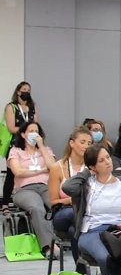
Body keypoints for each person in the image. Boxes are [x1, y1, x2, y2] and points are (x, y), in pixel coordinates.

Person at [62, 144, 121, 275]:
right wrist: (87, 172)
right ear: (92, 167)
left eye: (108, 157)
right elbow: (67, 187)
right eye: (101, 160)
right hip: (91, 231)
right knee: (105, 257)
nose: (108, 162)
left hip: (119, 230)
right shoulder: (87, 185)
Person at [9, 121, 58, 255]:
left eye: (36, 131)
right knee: (37, 208)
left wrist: (41, 146)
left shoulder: (46, 150)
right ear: (23, 134)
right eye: (31, 131)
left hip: (45, 187)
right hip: (25, 189)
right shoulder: (16, 151)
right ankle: (48, 246)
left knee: (56, 205)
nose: (34, 134)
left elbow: (53, 167)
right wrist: (41, 170)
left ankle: (60, 240)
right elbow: (18, 172)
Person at [48, 127, 93, 263]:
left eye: (89, 143)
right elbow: (53, 201)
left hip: (87, 213)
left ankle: (81, 268)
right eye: (82, 142)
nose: (86, 146)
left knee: (74, 229)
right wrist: (72, 200)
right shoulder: (57, 167)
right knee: (74, 214)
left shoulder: (92, 167)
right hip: (64, 212)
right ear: (72, 143)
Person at [3, 82, 38, 206]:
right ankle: (5, 203)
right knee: (11, 174)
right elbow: (11, 128)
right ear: (18, 92)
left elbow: (36, 125)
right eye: (24, 89)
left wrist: (32, 132)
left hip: (30, 145)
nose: (26, 92)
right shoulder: (11, 107)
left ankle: (28, 200)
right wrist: (27, 130)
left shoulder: (32, 106)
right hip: (15, 144)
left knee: (30, 170)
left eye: (29, 90)